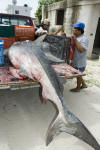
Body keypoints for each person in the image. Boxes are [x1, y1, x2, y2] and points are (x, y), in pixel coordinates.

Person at [70, 22, 88, 92]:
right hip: (76, 60)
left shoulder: (84, 39)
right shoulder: (77, 37)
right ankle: (83, 84)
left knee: (78, 75)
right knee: (78, 74)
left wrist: (75, 39)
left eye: (75, 29)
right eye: (74, 29)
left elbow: (81, 50)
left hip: (80, 62)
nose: (74, 30)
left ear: (79, 30)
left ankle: (78, 88)